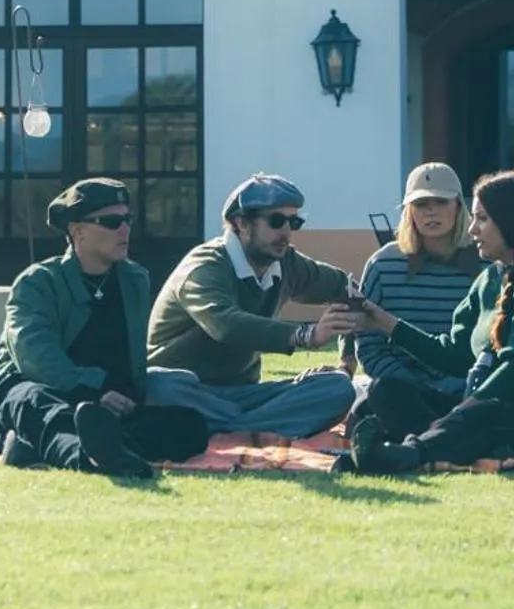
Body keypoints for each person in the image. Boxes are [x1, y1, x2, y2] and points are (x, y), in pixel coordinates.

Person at [340, 168, 514, 475]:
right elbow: (455, 354)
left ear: (511, 220)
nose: (472, 230)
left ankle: (404, 455)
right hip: (483, 408)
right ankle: (450, 442)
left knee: (484, 415)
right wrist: (384, 323)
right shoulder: (489, 279)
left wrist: (460, 413)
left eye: (481, 219)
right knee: (386, 391)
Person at [0, 178, 209, 478]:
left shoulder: (134, 280)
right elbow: (34, 356)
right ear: (77, 232)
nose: (125, 229)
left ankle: (51, 447)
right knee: (33, 401)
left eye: (127, 219)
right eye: (112, 222)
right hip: (39, 390)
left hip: (103, 407)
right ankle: (85, 456)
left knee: (189, 424)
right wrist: (92, 390)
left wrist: (121, 397)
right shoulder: (37, 282)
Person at [145, 173, 361, 436]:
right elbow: (226, 324)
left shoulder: (287, 263)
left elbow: (347, 290)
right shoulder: (206, 266)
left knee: (336, 388)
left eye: (294, 222)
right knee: (156, 385)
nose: (286, 232)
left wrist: (347, 361)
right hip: (187, 390)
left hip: (243, 395)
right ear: (242, 223)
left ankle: (222, 428)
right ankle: (251, 427)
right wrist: (305, 334)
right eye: (276, 221)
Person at [346, 161, 480, 440]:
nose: (431, 211)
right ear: (409, 212)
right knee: (383, 395)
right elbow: (369, 345)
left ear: (458, 206)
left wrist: (455, 385)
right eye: (420, 204)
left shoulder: (484, 264)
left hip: (465, 388)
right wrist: (411, 384)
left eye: (440, 201)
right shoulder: (383, 264)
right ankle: (448, 435)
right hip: (402, 386)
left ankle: (433, 435)